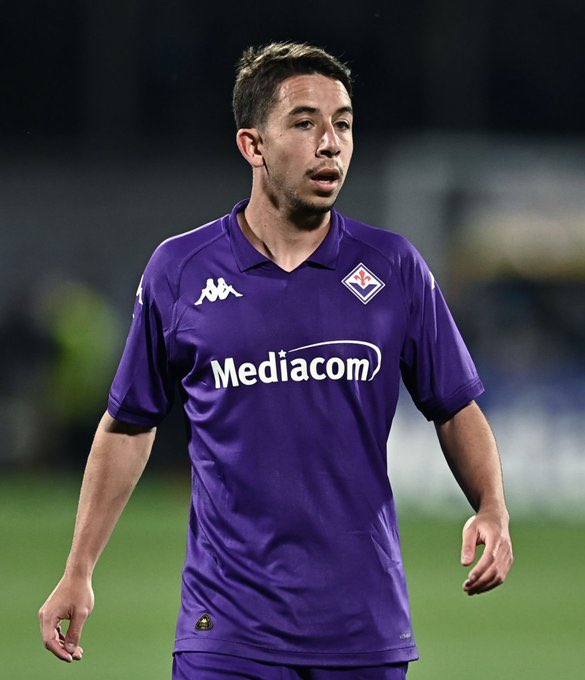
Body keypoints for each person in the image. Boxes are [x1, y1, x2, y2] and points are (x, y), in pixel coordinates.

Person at [39, 42, 514, 679]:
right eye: (305, 123)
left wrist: (491, 506)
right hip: (225, 631)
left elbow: (454, 406)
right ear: (252, 145)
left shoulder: (393, 267)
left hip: (362, 627)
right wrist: (78, 569)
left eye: (343, 124)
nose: (331, 144)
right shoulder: (180, 270)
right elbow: (128, 425)